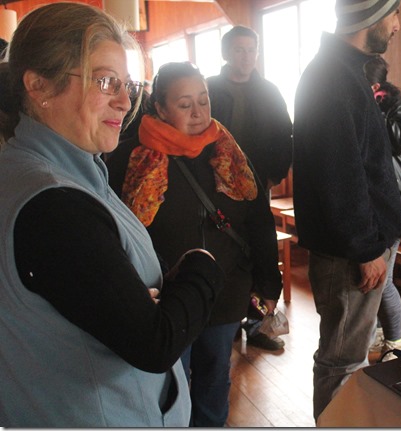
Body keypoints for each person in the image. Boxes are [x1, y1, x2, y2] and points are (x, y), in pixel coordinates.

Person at [0, 3, 224, 427]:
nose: (124, 102)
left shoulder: (46, 170)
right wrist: (202, 268)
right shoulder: (53, 205)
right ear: (39, 86)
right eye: (105, 82)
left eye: (128, 85)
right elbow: (153, 342)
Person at [106, 62, 282, 427]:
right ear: (160, 107)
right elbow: (113, 231)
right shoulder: (128, 156)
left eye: (204, 100)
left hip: (226, 289)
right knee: (169, 382)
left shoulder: (229, 150)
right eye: (185, 104)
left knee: (215, 377)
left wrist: (268, 281)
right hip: (164, 293)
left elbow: (258, 219)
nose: (199, 112)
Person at [292, 0, 401, 421]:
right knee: (343, 362)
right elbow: (339, 175)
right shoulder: (332, 78)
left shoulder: (342, 71)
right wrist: (366, 248)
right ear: (370, 15)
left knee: (348, 357)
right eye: (393, 15)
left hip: (356, 243)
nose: (395, 26)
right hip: (349, 252)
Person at [206, 25, 293, 351]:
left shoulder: (268, 90)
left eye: (251, 50)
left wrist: (274, 174)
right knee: (223, 252)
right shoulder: (210, 88)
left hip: (257, 185)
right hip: (215, 187)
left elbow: (285, 134)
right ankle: (224, 320)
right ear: (227, 53)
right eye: (240, 50)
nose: (246, 56)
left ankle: (257, 324)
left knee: (261, 254)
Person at [364, 55, 401, 361]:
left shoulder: (397, 105)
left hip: (391, 202)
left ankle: (395, 342)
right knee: (371, 279)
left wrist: (374, 109)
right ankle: (375, 337)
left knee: (383, 279)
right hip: (367, 201)